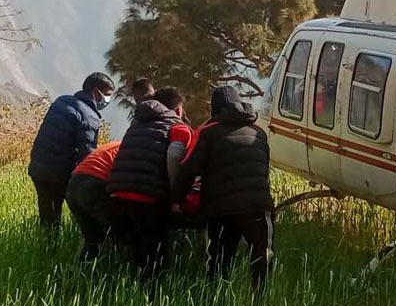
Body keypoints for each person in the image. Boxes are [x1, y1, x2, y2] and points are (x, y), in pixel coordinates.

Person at [174, 86, 275, 290]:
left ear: (215, 110)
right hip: (258, 206)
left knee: (218, 262)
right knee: (263, 257)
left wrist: (177, 199)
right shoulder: (260, 133)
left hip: (221, 209)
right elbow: (263, 170)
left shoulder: (209, 133)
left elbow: (190, 170)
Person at [107, 87, 191, 277]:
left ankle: (120, 296)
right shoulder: (178, 126)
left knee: (130, 257)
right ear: (178, 110)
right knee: (154, 260)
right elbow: (174, 156)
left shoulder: (136, 125)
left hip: (116, 196)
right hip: (147, 200)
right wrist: (176, 196)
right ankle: (150, 301)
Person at [27, 73, 115, 228]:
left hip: (38, 167)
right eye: (107, 96)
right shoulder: (90, 116)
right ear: (95, 92)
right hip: (60, 173)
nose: (107, 101)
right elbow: (87, 155)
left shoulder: (62, 101)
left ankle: (46, 248)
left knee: (48, 218)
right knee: (82, 213)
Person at [65, 141, 121, 263]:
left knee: (93, 240)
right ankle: (120, 272)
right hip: (94, 184)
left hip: (74, 185)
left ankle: (79, 275)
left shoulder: (115, 145)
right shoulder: (128, 149)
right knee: (120, 236)